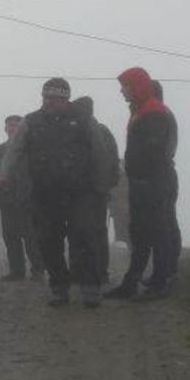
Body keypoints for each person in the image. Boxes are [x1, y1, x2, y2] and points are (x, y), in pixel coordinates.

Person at [2, 78, 101, 307]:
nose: (49, 102)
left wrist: (101, 185)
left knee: (84, 239)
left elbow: (99, 151)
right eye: (46, 97)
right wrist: (3, 174)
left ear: (66, 99)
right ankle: (59, 288)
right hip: (45, 193)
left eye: (55, 98)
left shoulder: (84, 120)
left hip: (80, 192)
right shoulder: (32, 121)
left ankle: (90, 288)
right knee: (49, 243)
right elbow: (14, 150)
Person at [105, 68, 178, 301]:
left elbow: (155, 152)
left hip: (152, 183)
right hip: (143, 182)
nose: (121, 91)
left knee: (156, 232)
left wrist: (145, 178)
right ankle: (134, 282)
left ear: (137, 87)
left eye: (125, 86)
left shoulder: (153, 113)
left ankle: (160, 282)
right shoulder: (141, 111)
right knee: (141, 233)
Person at [0, 114, 43, 281]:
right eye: (9, 125)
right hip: (7, 201)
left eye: (16, 125)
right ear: (5, 128)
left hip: (28, 200)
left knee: (31, 237)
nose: (12, 127)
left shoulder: (31, 149)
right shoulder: (0, 150)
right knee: (11, 237)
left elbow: (40, 173)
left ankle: (38, 270)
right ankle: (17, 271)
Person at [71, 97, 120, 284]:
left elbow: (111, 162)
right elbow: (114, 162)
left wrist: (105, 185)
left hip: (90, 191)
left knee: (88, 232)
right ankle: (98, 272)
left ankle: (90, 272)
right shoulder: (102, 131)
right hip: (95, 190)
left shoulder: (94, 131)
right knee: (95, 232)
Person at [153, 80, 182, 285]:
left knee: (164, 224)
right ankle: (168, 268)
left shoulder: (160, 115)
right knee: (167, 222)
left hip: (162, 175)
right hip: (166, 174)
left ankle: (168, 270)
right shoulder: (165, 113)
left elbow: (162, 149)